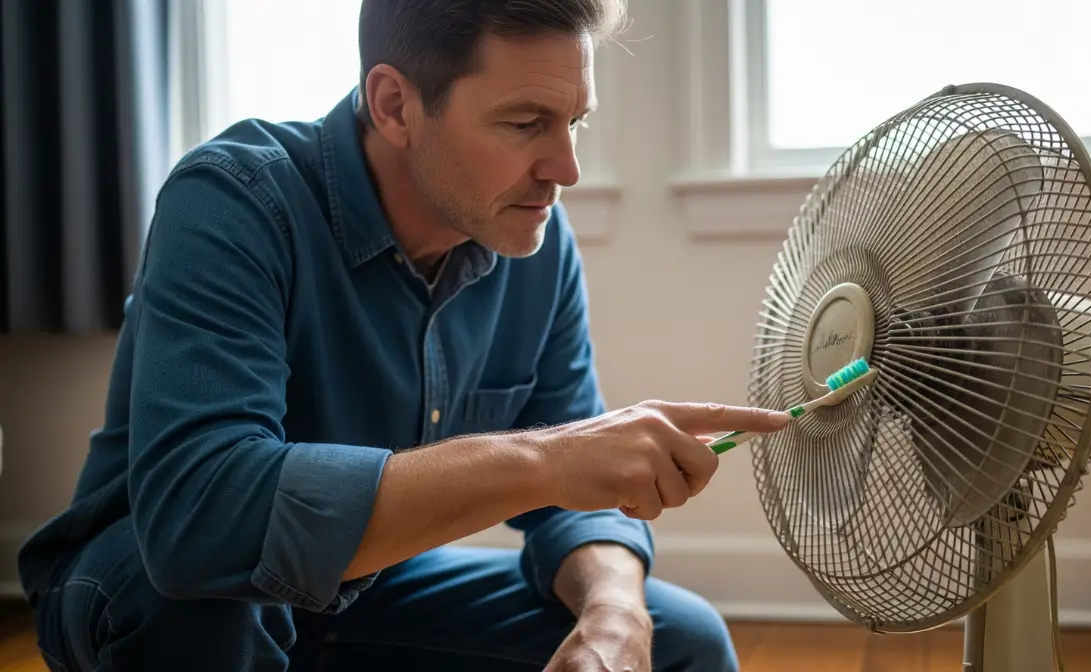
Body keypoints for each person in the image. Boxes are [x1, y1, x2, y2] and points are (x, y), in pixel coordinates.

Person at [16, 1, 791, 670]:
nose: (567, 168)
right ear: (393, 104)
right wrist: (548, 459)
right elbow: (202, 522)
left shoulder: (536, 244)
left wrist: (615, 613)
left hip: (363, 595)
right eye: (526, 124)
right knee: (211, 607)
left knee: (680, 640)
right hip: (144, 582)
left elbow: (576, 506)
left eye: (575, 122)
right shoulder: (234, 199)